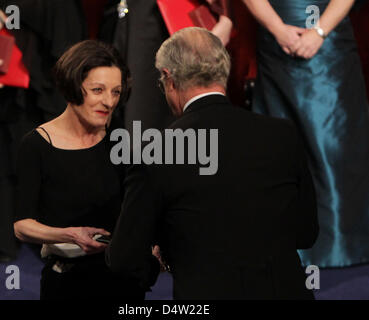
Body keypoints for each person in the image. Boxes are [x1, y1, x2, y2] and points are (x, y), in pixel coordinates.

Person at [107, 27, 319, 300]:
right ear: (223, 73)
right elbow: (305, 233)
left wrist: (163, 258)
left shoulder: (156, 150)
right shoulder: (283, 134)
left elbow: (124, 260)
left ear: (169, 79)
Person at [14, 40, 145, 300]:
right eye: (98, 90)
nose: (108, 102)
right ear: (73, 87)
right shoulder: (36, 145)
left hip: (121, 277)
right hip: (67, 281)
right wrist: (71, 235)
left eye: (116, 92)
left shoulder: (120, 137)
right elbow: (21, 226)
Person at [242, 0, 369, 268]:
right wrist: (277, 29)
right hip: (276, 43)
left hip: (330, 43)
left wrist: (319, 32)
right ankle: (287, 245)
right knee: (280, 146)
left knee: (337, 144)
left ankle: (343, 243)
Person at [0, 0, 88, 262]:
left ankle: (55, 235)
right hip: (3, 59)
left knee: (57, 144)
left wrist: (5, 13)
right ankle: (8, 236)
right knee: (9, 143)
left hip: (54, 47)